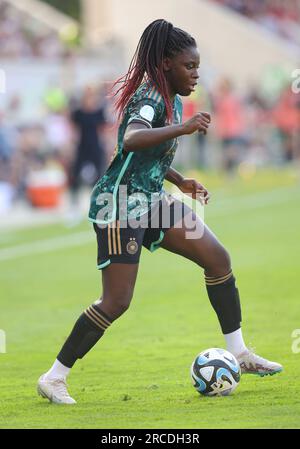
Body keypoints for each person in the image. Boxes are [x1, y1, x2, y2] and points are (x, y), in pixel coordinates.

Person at [37, 19, 282, 404]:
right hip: (120, 205)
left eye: (198, 66)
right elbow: (133, 139)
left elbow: (142, 153)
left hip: (152, 199)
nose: (196, 74)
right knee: (116, 301)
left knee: (217, 258)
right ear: (167, 64)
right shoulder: (151, 98)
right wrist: (183, 129)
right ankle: (54, 377)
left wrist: (180, 179)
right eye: (190, 66)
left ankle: (238, 352)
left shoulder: (172, 97)